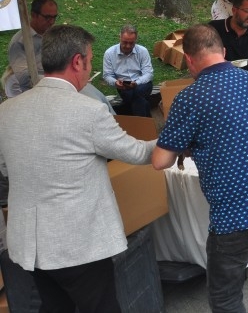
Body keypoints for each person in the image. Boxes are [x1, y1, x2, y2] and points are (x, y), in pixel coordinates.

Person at [0, 25, 156, 312]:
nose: (91, 67)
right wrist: (175, 140)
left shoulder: (6, 111)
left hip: (28, 243)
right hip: (77, 243)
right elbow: (136, 152)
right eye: (91, 59)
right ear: (77, 61)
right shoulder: (88, 110)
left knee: (53, 307)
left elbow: (7, 172)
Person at [151, 25, 248, 312]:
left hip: (237, 209)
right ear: (222, 52)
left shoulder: (190, 98)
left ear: (190, 61)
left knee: (225, 295)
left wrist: (189, 144)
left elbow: (160, 161)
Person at [6, 0, 58, 96]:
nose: (52, 22)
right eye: (47, 17)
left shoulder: (51, 33)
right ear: (34, 15)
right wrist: (57, 80)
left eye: (54, 17)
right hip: (23, 89)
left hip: (48, 81)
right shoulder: (20, 41)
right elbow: (24, 78)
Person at [102, 24, 154, 117]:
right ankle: (146, 122)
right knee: (139, 101)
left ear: (136, 40)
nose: (128, 46)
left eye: (131, 43)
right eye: (125, 42)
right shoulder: (109, 53)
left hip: (142, 84)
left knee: (135, 93)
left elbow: (148, 73)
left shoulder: (142, 51)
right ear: (119, 37)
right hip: (124, 86)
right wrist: (115, 82)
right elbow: (107, 75)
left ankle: (129, 112)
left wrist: (137, 83)